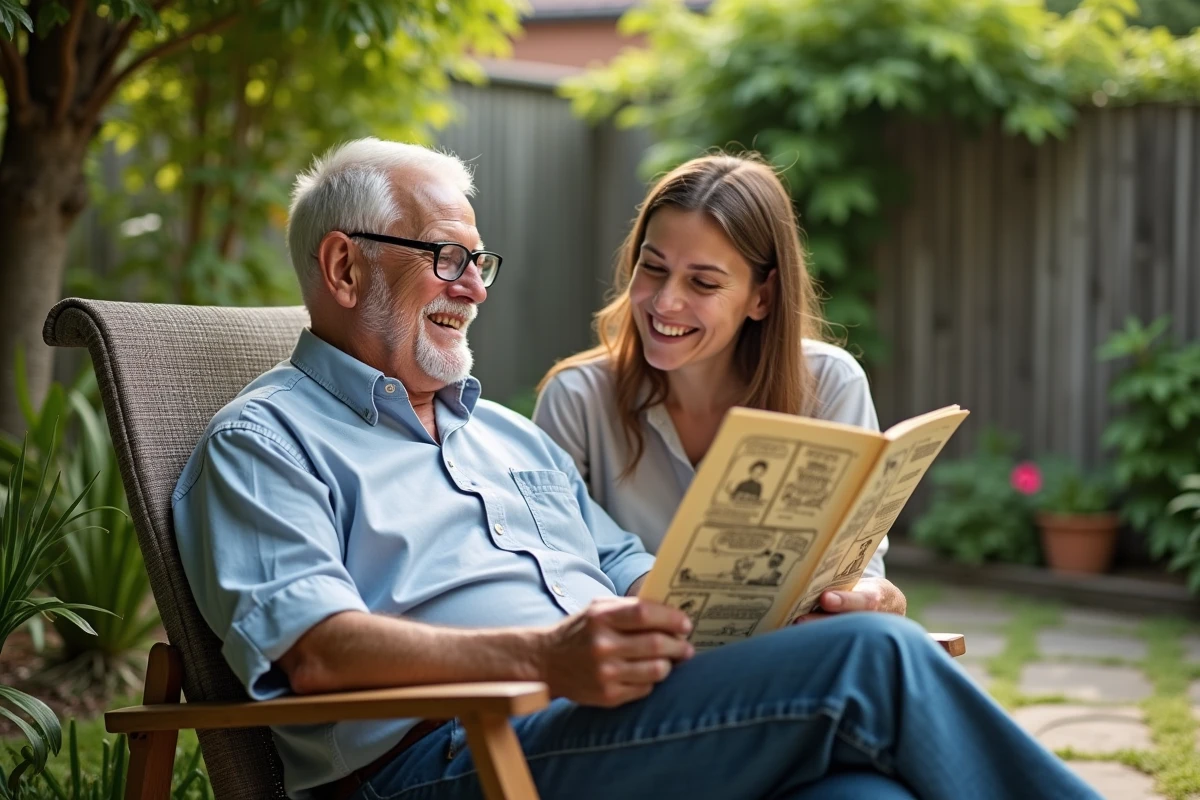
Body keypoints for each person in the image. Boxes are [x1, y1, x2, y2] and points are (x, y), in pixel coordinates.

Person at [172, 138, 1099, 800]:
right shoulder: (264, 442)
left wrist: (792, 592)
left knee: (860, 789)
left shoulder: (505, 433)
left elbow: (635, 577)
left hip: (597, 733)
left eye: (480, 261)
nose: (478, 286)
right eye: (449, 259)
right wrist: (544, 657)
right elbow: (316, 650)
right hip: (453, 761)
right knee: (872, 662)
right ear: (343, 268)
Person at [534, 153, 903, 620]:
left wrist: (873, 597)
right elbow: (553, 566)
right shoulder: (577, 399)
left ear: (762, 297)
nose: (666, 302)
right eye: (653, 268)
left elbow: (856, 567)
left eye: (703, 283)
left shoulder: (830, 383)